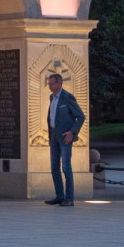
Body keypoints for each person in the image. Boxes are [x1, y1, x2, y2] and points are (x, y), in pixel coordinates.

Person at [44, 73, 86, 207]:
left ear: (59, 83)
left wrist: (72, 132)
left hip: (65, 137)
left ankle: (69, 198)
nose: (49, 86)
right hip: (54, 136)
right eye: (49, 83)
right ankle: (59, 196)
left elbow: (81, 116)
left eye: (51, 83)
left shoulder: (67, 97)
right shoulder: (52, 97)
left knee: (66, 167)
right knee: (54, 167)